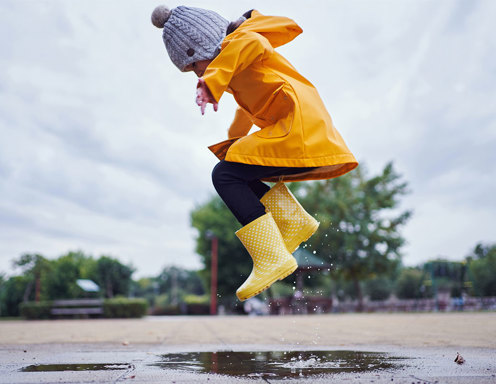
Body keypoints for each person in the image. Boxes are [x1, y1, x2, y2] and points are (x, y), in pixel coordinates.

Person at [151, 5, 358, 301]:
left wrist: (212, 81)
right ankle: (292, 222)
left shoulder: (245, 39)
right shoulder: (238, 67)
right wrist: (233, 145)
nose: (196, 72)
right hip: (299, 130)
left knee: (224, 176)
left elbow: (253, 44)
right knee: (233, 169)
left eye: (194, 65)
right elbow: (245, 112)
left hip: (298, 130)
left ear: (202, 46)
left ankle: (272, 257)